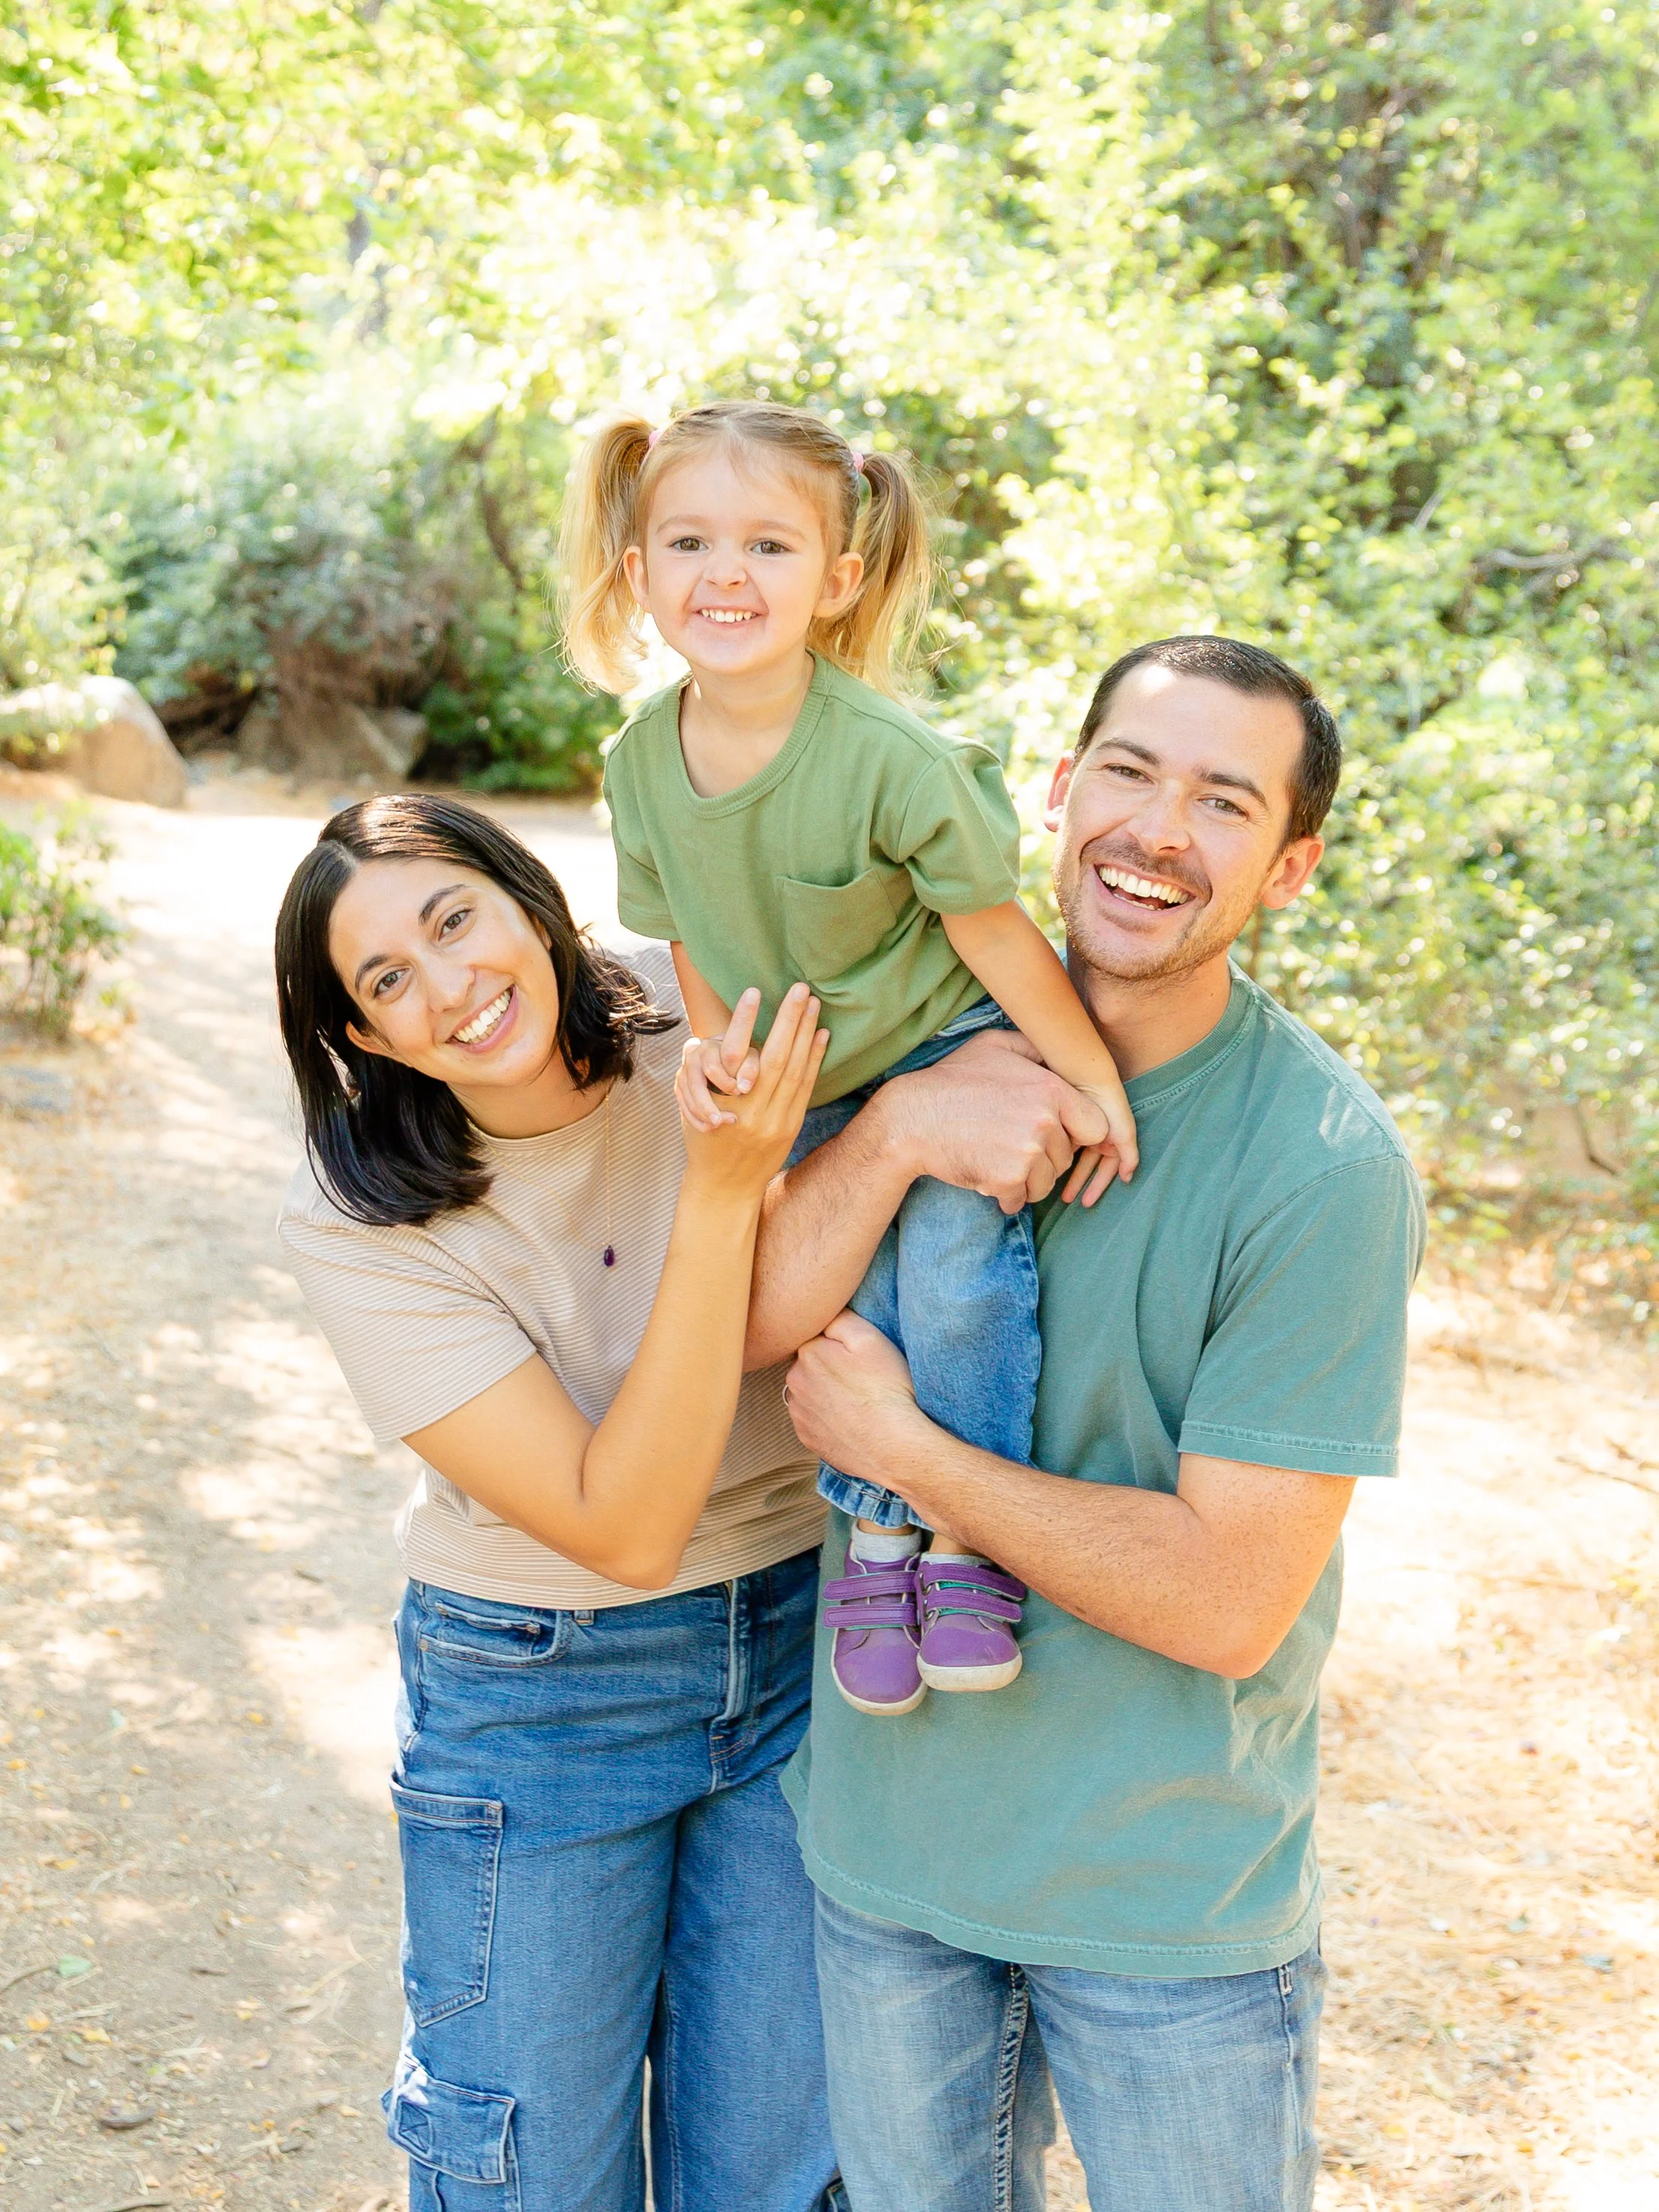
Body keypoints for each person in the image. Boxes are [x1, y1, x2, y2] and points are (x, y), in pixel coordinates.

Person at [756, 636, 1428, 2210]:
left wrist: (914, 1457)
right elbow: (743, 1327)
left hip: (1164, 1903)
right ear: (1058, 794)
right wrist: (905, 1127)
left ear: (1288, 868)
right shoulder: (901, 1046)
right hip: (889, 1864)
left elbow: (1223, 1596)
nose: (1155, 829)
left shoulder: (1319, 1163)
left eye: (1220, 801)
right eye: (1127, 771)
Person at [270, 795, 840, 2212]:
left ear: (528, 897)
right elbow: (624, 1525)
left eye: (454, 919)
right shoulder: (364, 1218)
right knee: (532, 2175)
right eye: (387, 980)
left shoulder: (692, 1018)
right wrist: (719, 1194)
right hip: (543, 1692)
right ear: (365, 1039)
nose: (450, 987)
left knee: (783, 2171)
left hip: (805, 1637)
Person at [559, 398, 1136, 1717]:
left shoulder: (892, 760)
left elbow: (995, 941)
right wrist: (724, 1063)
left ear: (838, 578)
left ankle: (969, 1540)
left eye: (768, 546)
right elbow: (691, 941)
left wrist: (1089, 1079)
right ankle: (875, 1540)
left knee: (949, 1274)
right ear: (638, 573)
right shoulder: (641, 765)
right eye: (691, 542)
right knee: (833, 1301)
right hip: (808, 1069)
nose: (726, 575)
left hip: (945, 1033)